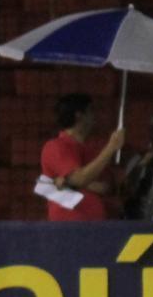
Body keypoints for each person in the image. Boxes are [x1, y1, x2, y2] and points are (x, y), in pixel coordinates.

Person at [40, 93, 126, 221]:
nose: (94, 116)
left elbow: (105, 186)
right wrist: (111, 147)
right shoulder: (56, 146)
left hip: (100, 225)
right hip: (70, 226)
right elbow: (79, 178)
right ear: (79, 115)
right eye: (91, 111)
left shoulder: (90, 149)